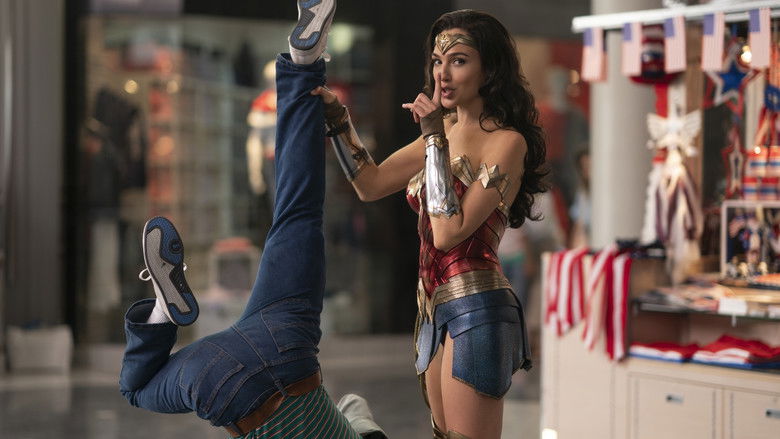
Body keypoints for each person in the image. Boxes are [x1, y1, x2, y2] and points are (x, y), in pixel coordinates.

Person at [118, 2, 385, 438]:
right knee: (135, 389)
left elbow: (356, 406)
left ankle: (304, 64)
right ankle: (162, 313)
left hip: (289, 344)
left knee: (298, 212)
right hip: (222, 385)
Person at [313, 9, 547, 439]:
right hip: (432, 309)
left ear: (490, 69)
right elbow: (370, 183)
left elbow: (448, 231)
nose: (443, 73)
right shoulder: (440, 133)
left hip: (478, 307)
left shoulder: (507, 142)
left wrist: (435, 136)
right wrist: (337, 119)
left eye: (458, 60)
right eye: (438, 61)